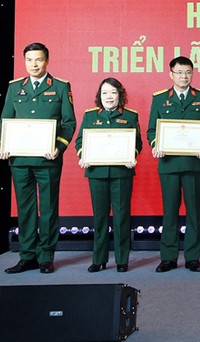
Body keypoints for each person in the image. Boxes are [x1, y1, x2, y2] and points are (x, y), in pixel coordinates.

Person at [0, 42, 76, 274]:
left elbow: (69, 123)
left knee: (49, 208)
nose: (34, 64)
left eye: (38, 59)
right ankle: (27, 255)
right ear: (24, 61)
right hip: (19, 160)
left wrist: (58, 148)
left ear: (47, 61)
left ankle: (46, 257)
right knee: (25, 208)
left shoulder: (60, 87)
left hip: (47, 158)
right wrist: (5, 146)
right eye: (29, 60)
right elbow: (5, 120)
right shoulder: (14, 88)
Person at [147, 56, 200, 272]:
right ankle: (168, 257)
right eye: (179, 72)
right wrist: (155, 144)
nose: (183, 76)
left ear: (192, 74)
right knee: (169, 212)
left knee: (194, 212)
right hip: (168, 165)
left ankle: (192, 257)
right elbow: (152, 129)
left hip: (195, 164)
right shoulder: (159, 99)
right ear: (171, 74)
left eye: (187, 72)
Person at [75, 78, 142, 273]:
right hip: (96, 173)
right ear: (99, 96)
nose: (109, 96)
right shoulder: (89, 116)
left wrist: (132, 156)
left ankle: (122, 259)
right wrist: (84, 156)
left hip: (122, 173)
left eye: (113, 92)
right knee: (100, 218)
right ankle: (99, 259)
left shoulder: (130, 116)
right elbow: (80, 142)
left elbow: (137, 143)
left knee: (121, 217)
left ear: (119, 95)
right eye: (104, 93)